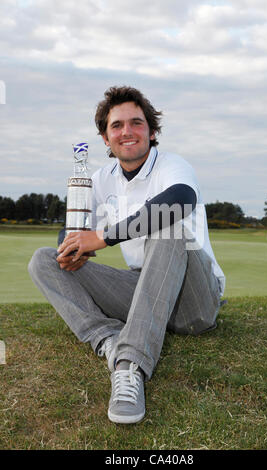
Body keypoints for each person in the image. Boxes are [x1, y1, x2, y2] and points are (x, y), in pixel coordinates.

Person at [28, 86, 225, 425]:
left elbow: (179, 201)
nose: (127, 131)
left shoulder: (171, 165)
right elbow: (72, 232)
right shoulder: (101, 179)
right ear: (105, 138)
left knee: (169, 226)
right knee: (43, 260)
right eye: (116, 126)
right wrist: (69, 248)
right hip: (144, 289)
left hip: (194, 301)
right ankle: (108, 339)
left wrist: (102, 238)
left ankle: (130, 366)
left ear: (151, 130)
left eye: (136, 122)